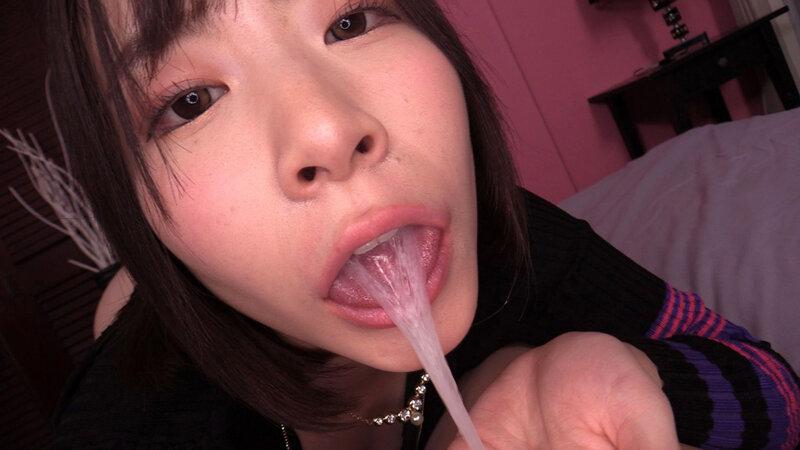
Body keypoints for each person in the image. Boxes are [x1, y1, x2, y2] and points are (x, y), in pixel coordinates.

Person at [47, 1, 799, 449]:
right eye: (190, 103)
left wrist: (621, 376)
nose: (327, 130)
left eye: (350, 21)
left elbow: (774, 384)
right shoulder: (126, 425)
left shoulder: (512, 240)